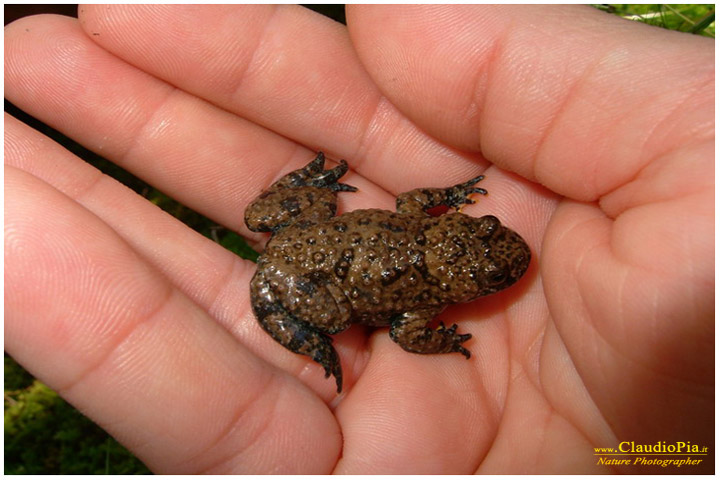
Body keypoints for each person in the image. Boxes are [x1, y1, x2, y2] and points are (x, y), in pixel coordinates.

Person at [4, 4, 713, 474]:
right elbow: (409, 308)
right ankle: (312, 326)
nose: (496, 238)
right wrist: (439, 328)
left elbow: (411, 227)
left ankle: (311, 301)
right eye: (485, 230)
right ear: (462, 248)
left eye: (489, 246)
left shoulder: (422, 247)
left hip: (314, 251)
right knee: (309, 297)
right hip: (302, 273)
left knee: (290, 255)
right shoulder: (424, 292)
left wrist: (445, 214)